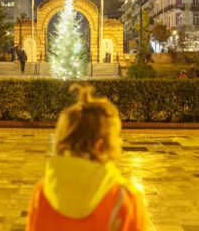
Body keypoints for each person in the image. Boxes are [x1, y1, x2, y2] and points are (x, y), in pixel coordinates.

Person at [26, 85, 148, 230]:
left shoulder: (42, 193)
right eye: (116, 136)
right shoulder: (124, 200)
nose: (120, 142)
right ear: (99, 146)